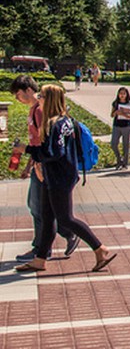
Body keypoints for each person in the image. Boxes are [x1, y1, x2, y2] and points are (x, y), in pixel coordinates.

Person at [16, 84, 116, 273]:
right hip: (55, 176)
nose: (39, 98)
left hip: (59, 177)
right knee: (47, 218)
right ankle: (40, 259)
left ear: (50, 99)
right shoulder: (63, 121)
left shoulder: (56, 123)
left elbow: (53, 152)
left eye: (42, 96)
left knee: (66, 218)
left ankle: (100, 249)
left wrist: (26, 149)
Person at [9, 75, 79, 262]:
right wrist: (29, 165)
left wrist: (37, 164)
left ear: (28, 91)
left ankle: (43, 247)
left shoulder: (40, 112)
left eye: (18, 94)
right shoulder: (35, 110)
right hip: (40, 164)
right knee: (43, 209)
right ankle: (53, 242)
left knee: (41, 209)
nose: (17, 99)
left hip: (46, 167)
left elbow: (45, 144)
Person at [110, 87, 130, 170]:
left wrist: (125, 115)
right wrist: (116, 112)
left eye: (124, 94)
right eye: (120, 93)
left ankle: (125, 163)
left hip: (126, 126)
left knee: (126, 145)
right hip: (117, 125)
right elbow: (112, 115)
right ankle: (119, 159)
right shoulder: (115, 103)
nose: (122, 95)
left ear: (126, 94)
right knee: (113, 144)